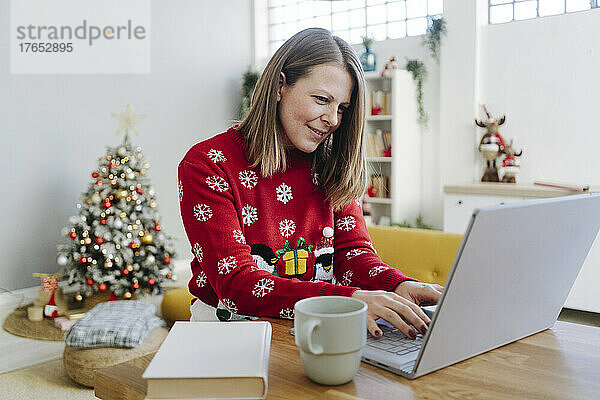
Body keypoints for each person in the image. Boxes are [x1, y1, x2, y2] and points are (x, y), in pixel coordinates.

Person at [178, 28, 443, 339]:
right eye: (322, 100)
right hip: (229, 332)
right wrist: (347, 301)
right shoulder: (208, 163)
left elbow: (353, 253)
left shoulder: (330, 163)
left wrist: (397, 285)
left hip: (318, 327)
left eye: (341, 108)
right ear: (280, 86)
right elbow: (236, 283)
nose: (332, 119)